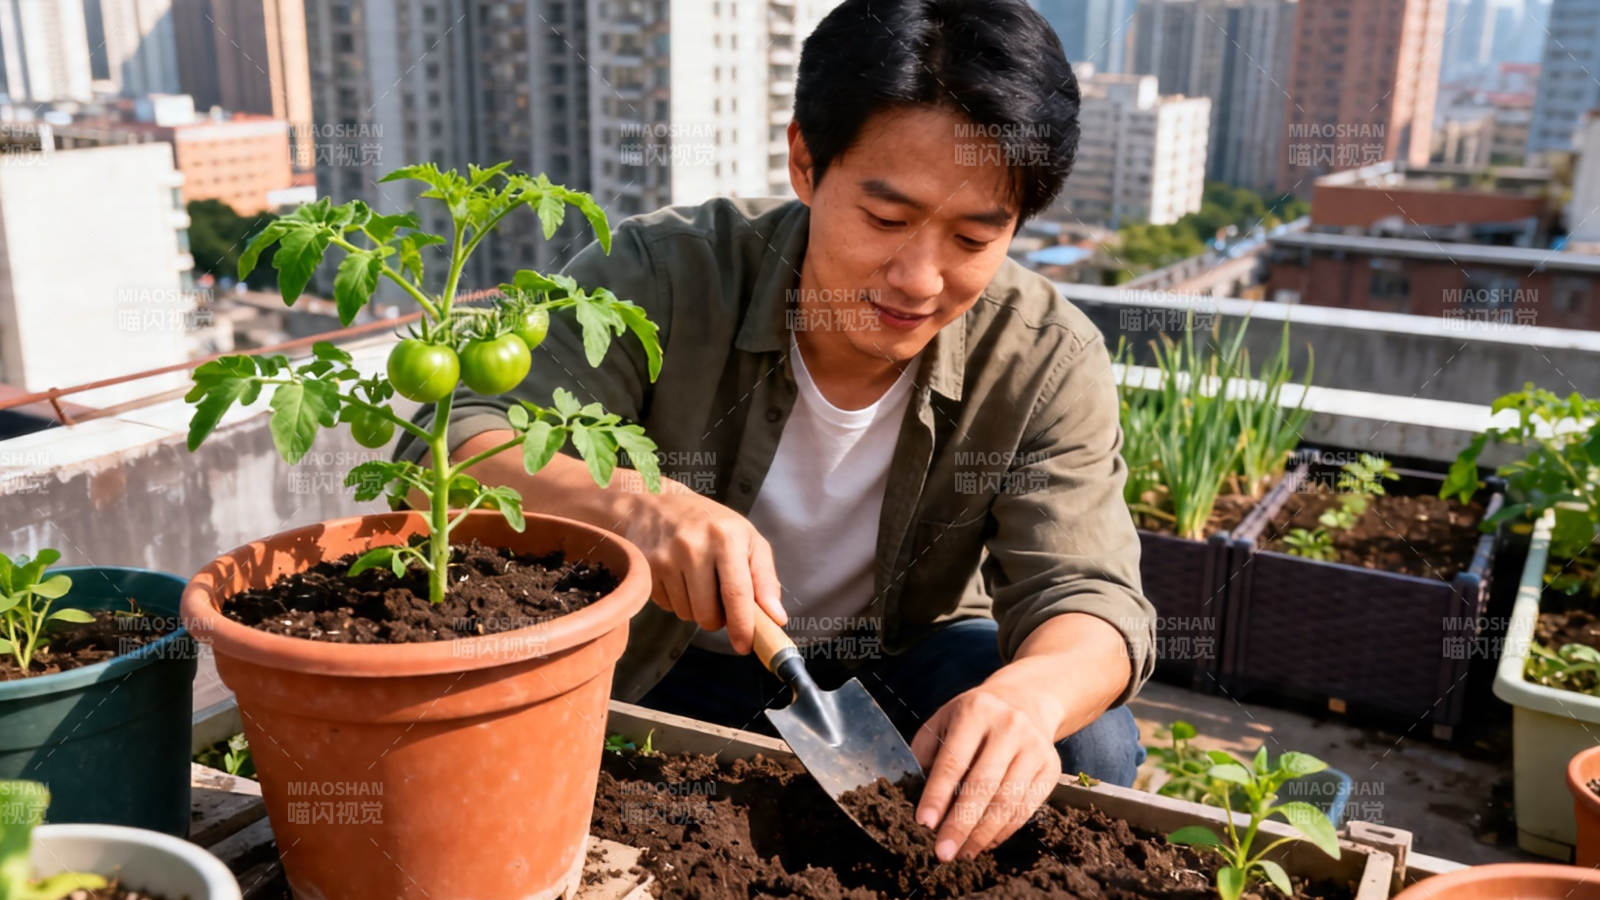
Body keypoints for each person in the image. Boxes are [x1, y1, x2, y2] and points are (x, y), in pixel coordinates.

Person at [398, 0, 1155, 864]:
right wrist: (638, 507)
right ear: (804, 160)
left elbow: (1093, 599)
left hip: (898, 672)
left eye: (973, 237)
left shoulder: (1045, 355)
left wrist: (1028, 700)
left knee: (1084, 746)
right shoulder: (664, 273)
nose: (918, 278)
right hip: (664, 664)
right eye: (885, 220)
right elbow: (453, 441)